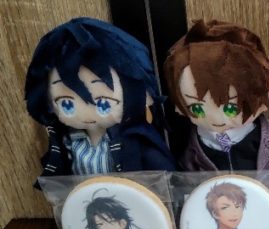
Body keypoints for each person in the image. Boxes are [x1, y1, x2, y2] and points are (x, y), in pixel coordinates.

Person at [25, 17, 175, 185]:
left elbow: (160, 168)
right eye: (67, 105)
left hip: (128, 198)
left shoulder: (133, 137)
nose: (86, 115)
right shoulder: (68, 139)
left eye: (104, 104)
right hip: (82, 198)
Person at [164, 19, 269, 171]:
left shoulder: (264, 136)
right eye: (197, 108)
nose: (216, 120)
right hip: (216, 187)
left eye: (230, 109)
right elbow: (188, 173)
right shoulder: (197, 145)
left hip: (263, 186)